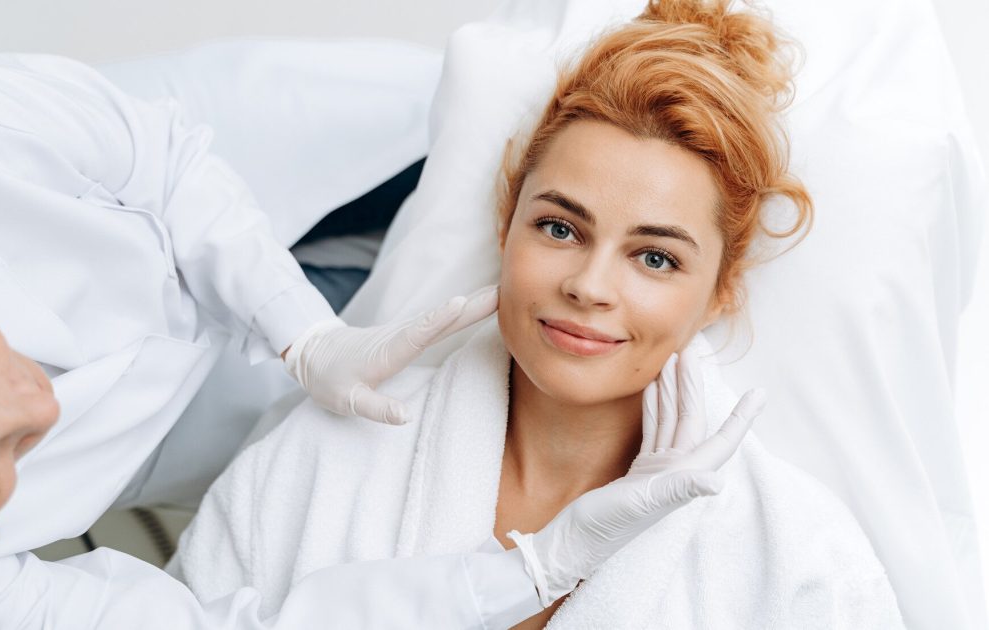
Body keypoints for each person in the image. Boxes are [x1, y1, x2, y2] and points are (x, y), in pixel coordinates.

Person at [0, 51, 735, 629]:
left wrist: (304, 333)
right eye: (6, 464)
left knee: (490, 120)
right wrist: (538, 569)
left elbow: (161, 162)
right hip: (190, 418)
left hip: (193, 187)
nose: (41, 403)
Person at [171, 1, 906, 627]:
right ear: (507, 225)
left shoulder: (802, 559)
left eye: (655, 258)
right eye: (560, 228)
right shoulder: (321, 461)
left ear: (721, 291)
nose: (589, 285)